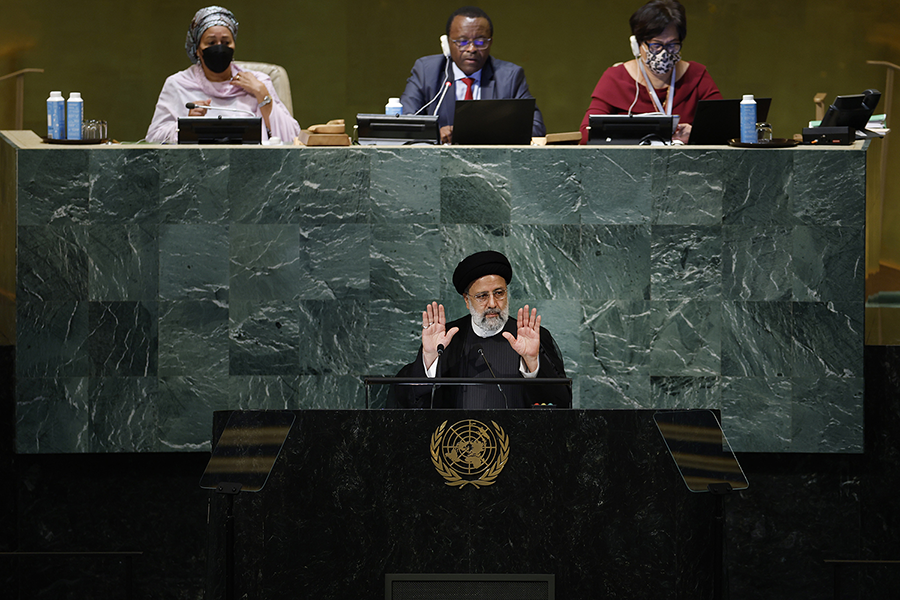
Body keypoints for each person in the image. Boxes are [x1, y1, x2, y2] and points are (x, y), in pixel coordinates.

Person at [390, 251, 570, 409]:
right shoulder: (446, 339)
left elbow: (561, 403)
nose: (492, 303)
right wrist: (429, 358)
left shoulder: (532, 335)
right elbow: (407, 402)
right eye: (482, 296)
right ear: (467, 300)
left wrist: (532, 363)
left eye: (499, 293)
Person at [146, 6, 301, 144]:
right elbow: (153, 138)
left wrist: (262, 94)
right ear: (198, 50)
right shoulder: (178, 84)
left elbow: (292, 137)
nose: (219, 48)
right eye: (211, 43)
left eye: (226, 42)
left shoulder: (258, 82)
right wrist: (186, 125)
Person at [578, 0, 721, 144]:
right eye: (656, 45)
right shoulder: (616, 78)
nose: (664, 53)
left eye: (672, 45)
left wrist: (696, 133)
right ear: (637, 45)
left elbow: (725, 130)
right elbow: (587, 134)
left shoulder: (696, 76)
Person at [400, 6, 546, 144]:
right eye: (463, 42)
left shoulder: (510, 76)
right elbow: (405, 124)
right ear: (447, 44)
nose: (472, 49)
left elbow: (536, 128)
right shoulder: (427, 71)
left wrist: (474, 134)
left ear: (490, 43)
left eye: (480, 41)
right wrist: (436, 134)